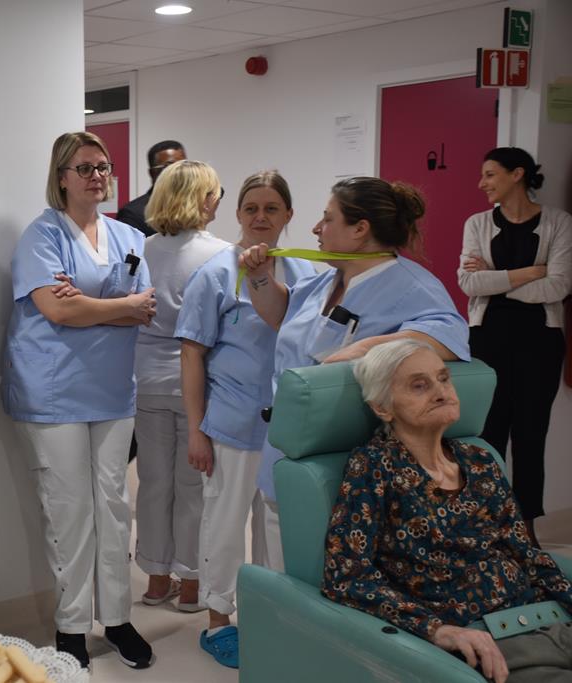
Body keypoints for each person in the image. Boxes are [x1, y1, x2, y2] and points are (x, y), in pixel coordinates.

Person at [323, 338, 572, 683]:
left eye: (443, 379)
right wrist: (439, 631)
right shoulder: (374, 466)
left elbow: (526, 554)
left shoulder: (480, 460)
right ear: (383, 407)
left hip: (552, 622)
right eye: (419, 385)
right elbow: (346, 576)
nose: (441, 392)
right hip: (492, 647)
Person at [2, 131, 156, 670]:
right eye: (84, 167)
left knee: (114, 508)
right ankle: (70, 627)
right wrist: (117, 305)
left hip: (114, 390)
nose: (97, 175)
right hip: (54, 391)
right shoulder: (41, 236)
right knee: (69, 513)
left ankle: (117, 618)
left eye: (103, 166)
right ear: (62, 176)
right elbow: (58, 312)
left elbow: (146, 307)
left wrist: (95, 303)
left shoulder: (128, 237)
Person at [241, 177, 471, 538]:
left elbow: (449, 336)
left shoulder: (412, 286)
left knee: (318, 568)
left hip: (343, 464)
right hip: (287, 448)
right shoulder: (327, 281)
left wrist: (364, 348)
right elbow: (282, 315)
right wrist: (258, 278)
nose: (317, 228)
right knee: (278, 561)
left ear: (360, 229)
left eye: (327, 218)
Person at [176, 171, 316, 667]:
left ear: (288, 216)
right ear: (237, 214)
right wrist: (196, 429)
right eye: (251, 208)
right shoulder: (215, 274)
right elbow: (191, 355)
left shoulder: (305, 273)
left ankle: (276, 615)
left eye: (271, 209)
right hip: (231, 423)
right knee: (225, 523)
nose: (260, 218)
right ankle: (218, 622)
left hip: (288, 426)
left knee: (277, 528)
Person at [458, 147, 572, 548]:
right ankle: (488, 523)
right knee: (487, 436)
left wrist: (497, 278)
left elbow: (558, 285)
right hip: (487, 338)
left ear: (517, 174)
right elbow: (469, 284)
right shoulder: (477, 223)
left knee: (530, 435)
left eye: (490, 174)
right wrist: (525, 274)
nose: (482, 183)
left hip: (540, 341)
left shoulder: (559, 223)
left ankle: (527, 530)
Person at [133, 160, 230, 615]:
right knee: (195, 487)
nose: (217, 202)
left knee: (153, 483)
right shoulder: (220, 254)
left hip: (145, 380)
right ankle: (191, 584)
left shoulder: (140, 249)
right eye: (216, 193)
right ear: (203, 199)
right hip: (199, 384)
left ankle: (156, 580)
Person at [116, 140, 186, 237]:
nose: (180, 172)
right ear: (152, 173)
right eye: (170, 167)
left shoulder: (191, 206)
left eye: (184, 166)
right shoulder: (133, 213)